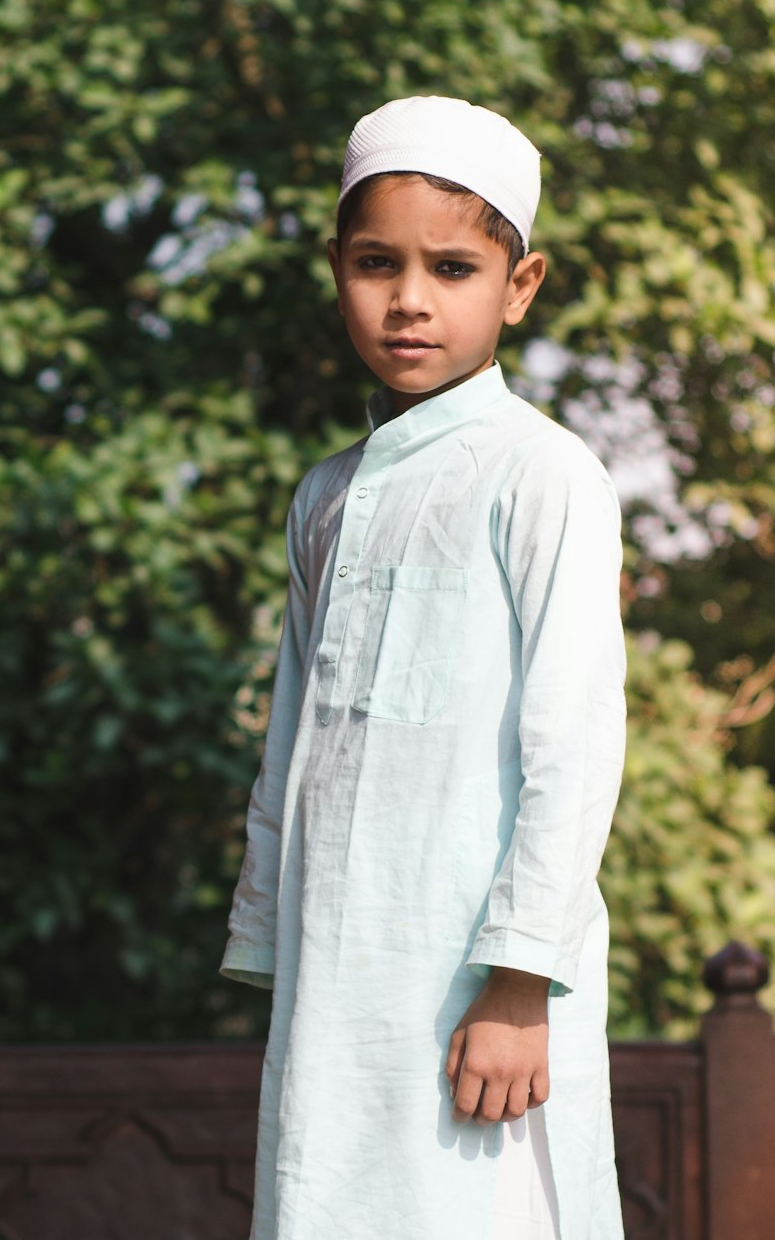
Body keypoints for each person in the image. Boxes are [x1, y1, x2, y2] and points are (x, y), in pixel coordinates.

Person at [222, 95, 626, 1240]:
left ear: (521, 283)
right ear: (335, 270)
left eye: (452, 267)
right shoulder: (326, 496)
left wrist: (517, 980)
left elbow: (577, 740)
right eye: (375, 263)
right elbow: (292, 731)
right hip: (337, 974)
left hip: (475, 983)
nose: (409, 299)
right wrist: (271, 930)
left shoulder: (542, 475)